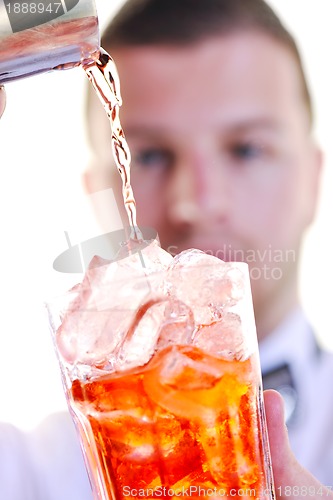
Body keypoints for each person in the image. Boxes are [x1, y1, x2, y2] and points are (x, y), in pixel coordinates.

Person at [0, 2, 332, 499]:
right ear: (99, 194)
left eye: (246, 149)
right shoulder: (26, 472)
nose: (196, 202)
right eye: (150, 156)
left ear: (314, 178)